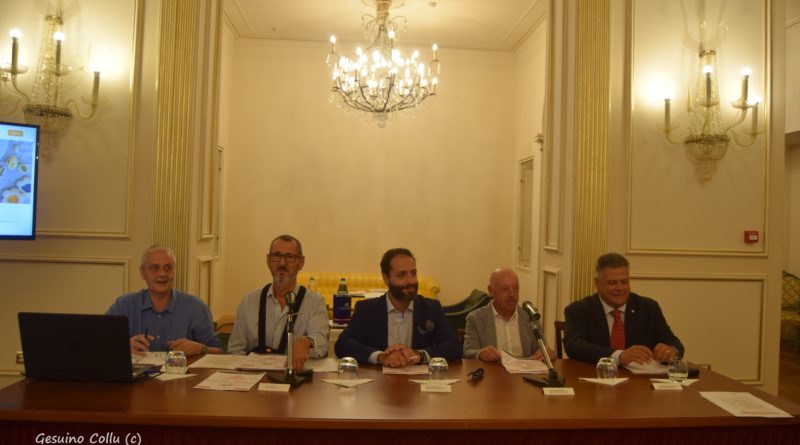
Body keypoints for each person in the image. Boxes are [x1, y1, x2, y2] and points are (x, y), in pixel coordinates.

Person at [334, 248, 462, 367]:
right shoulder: (367, 309)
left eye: (413, 273)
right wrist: (380, 357)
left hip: (418, 382)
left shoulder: (431, 308)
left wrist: (420, 355)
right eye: (401, 275)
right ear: (386, 278)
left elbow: (455, 346)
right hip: (378, 381)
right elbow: (343, 345)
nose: (410, 281)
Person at [227, 235, 329, 370]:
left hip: (295, 377)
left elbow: (322, 344)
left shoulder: (315, 302)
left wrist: (307, 342)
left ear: (301, 263)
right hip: (253, 377)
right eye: (276, 256)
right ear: (268, 261)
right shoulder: (248, 302)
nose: (282, 263)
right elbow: (235, 351)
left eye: (289, 257)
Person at [564, 252, 684, 365]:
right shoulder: (579, 310)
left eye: (624, 282)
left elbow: (673, 342)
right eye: (612, 283)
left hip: (640, 378)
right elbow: (573, 346)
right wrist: (619, 356)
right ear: (597, 283)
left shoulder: (648, 307)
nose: (620, 288)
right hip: (595, 376)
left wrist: (670, 351)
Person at [107, 245, 222, 356]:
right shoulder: (124, 305)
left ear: (174, 271)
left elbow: (219, 352)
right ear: (142, 272)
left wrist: (201, 349)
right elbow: (100, 343)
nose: (162, 274)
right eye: (155, 268)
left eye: (168, 268)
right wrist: (123, 346)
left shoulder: (195, 307)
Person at [463, 268, 556, 361]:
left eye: (515, 288)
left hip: (524, 369)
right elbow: (467, 353)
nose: (512, 294)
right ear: (491, 291)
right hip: (493, 370)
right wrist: (480, 354)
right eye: (505, 289)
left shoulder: (530, 317)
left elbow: (542, 349)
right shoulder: (476, 319)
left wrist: (547, 353)